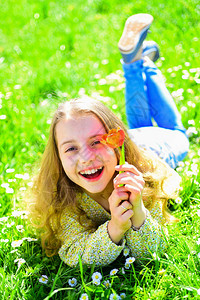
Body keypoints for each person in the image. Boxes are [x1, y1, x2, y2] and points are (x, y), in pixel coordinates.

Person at [29, 14, 189, 267]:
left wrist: (138, 211)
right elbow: (76, 253)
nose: (85, 157)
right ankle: (136, 62)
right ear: (58, 158)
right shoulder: (65, 197)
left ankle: (144, 65)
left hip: (154, 148)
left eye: (95, 141)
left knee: (178, 132)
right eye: (71, 147)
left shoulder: (145, 176)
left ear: (117, 139)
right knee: (139, 122)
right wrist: (115, 227)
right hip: (126, 142)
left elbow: (151, 253)